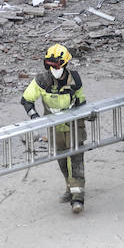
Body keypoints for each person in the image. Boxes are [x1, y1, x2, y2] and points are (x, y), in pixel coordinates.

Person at [20, 43, 89, 213]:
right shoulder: (42, 81)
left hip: (74, 125)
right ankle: (69, 187)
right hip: (54, 127)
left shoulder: (75, 79)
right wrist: (35, 117)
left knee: (76, 159)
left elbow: (82, 100)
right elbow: (26, 100)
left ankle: (78, 197)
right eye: (49, 66)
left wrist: (85, 113)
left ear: (64, 65)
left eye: (56, 66)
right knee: (62, 159)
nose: (53, 69)